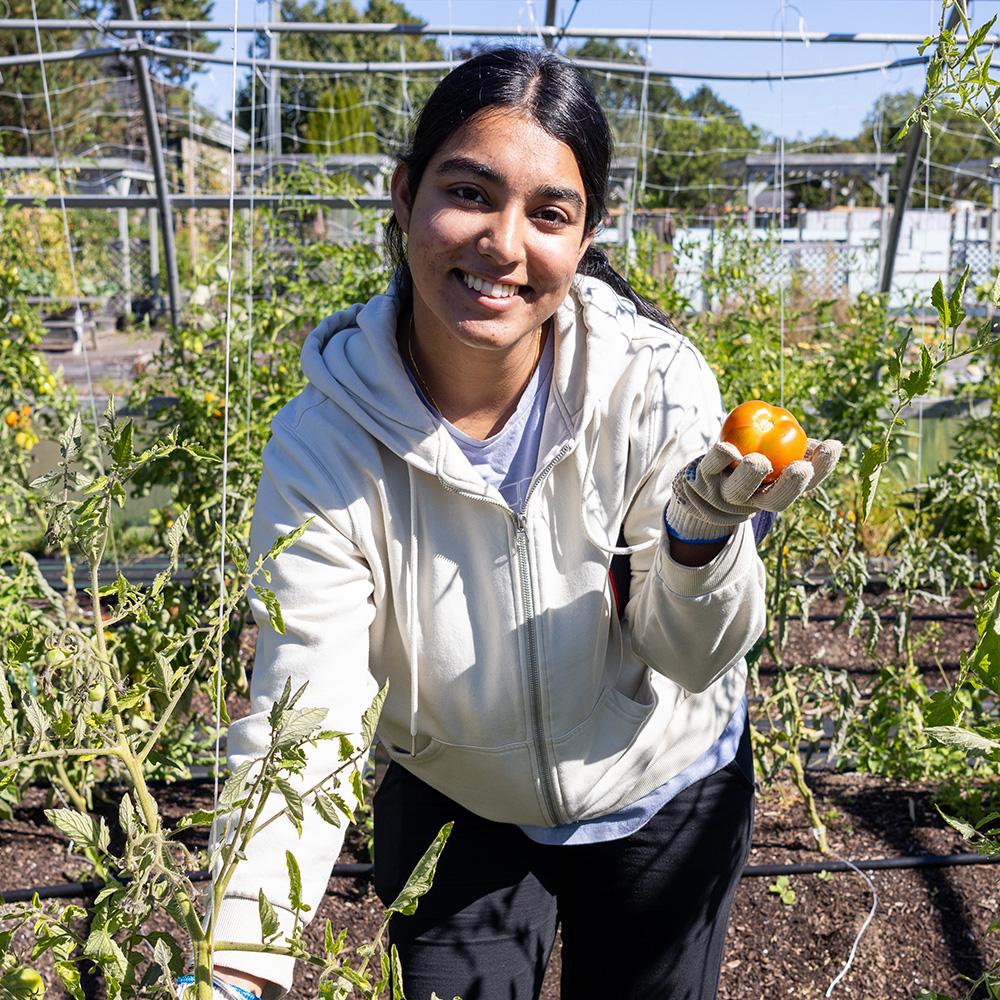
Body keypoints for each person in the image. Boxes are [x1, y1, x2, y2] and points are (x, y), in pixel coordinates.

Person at [203, 45, 841, 1000]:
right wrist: (238, 968)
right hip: (458, 801)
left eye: (550, 213)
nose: (504, 243)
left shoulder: (654, 384)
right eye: (469, 192)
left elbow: (694, 657)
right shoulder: (323, 442)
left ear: (586, 238)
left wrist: (701, 541)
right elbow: (309, 714)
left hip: (661, 781)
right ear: (405, 193)